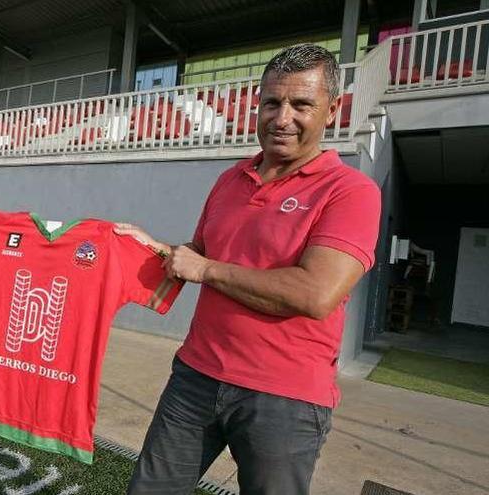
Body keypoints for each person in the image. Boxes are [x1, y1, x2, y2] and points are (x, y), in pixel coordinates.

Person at [117, 44, 381, 495]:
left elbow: (315, 293)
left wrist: (207, 270)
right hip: (195, 377)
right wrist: (142, 248)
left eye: (302, 105)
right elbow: (198, 253)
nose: (282, 118)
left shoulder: (351, 192)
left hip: (284, 398)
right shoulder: (230, 179)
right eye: (272, 102)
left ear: (332, 110)